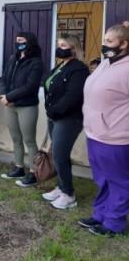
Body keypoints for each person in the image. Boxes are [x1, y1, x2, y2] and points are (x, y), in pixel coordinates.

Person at [79, 22, 129, 236]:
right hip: (94, 132)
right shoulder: (106, 63)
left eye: (110, 41)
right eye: (104, 40)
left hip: (116, 135)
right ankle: (100, 214)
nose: (104, 45)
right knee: (102, 178)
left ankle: (115, 223)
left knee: (119, 181)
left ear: (124, 44)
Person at [29, 35, 89, 208]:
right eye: (58, 44)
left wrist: (54, 111)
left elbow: (73, 95)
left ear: (74, 47)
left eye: (64, 45)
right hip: (55, 116)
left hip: (68, 118)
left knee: (60, 155)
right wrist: (52, 112)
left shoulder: (78, 69)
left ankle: (69, 195)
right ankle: (61, 187)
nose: (60, 47)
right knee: (58, 154)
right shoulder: (61, 66)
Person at [0, 31, 44, 180]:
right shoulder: (14, 58)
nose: (18, 43)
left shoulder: (36, 62)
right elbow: (4, 78)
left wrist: (10, 96)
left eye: (22, 40)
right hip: (10, 105)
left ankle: (34, 172)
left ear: (29, 42)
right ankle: (19, 167)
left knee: (29, 140)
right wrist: (3, 95)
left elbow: (30, 86)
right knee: (16, 139)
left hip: (27, 106)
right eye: (17, 40)